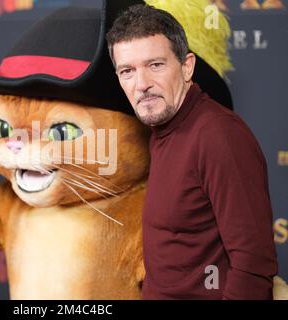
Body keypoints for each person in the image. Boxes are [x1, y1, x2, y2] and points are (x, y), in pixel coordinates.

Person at [106, 4, 278, 299]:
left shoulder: (218, 136)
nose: (142, 84)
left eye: (155, 65)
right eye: (127, 71)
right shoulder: (161, 126)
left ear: (187, 67)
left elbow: (253, 265)